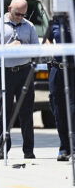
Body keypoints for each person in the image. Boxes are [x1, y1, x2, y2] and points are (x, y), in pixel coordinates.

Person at [0, 0, 39, 160]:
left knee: (26, 112)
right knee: (4, 112)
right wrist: (9, 48)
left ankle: (28, 150)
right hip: (4, 72)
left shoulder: (29, 26)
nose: (20, 17)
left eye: (23, 14)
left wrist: (23, 48)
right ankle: (2, 148)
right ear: (9, 9)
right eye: (17, 14)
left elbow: (36, 49)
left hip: (24, 72)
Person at [47, 13, 75, 161]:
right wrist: (52, 49)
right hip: (57, 69)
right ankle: (64, 147)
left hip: (73, 69)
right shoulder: (54, 22)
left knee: (72, 109)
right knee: (58, 109)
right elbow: (46, 40)